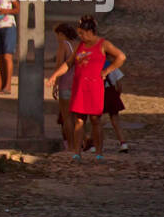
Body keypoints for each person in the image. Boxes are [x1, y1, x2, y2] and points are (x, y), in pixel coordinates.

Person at [49, 15, 125, 162]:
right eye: (79, 33)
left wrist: (106, 71)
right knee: (79, 120)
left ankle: (98, 152)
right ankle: (77, 152)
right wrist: (55, 76)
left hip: (95, 86)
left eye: (82, 33)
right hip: (79, 86)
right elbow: (68, 63)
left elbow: (121, 57)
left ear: (91, 31)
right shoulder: (80, 45)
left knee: (95, 119)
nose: (80, 36)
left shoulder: (103, 44)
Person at [50, 23, 80, 153]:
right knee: (77, 117)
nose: (57, 38)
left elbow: (59, 65)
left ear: (62, 34)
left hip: (65, 83)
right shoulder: (78, 45)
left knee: (66, 117)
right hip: (78, 84)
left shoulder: (64, 46)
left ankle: (72, 145)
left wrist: (55, 83)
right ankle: (80, 144)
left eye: (57, 35)